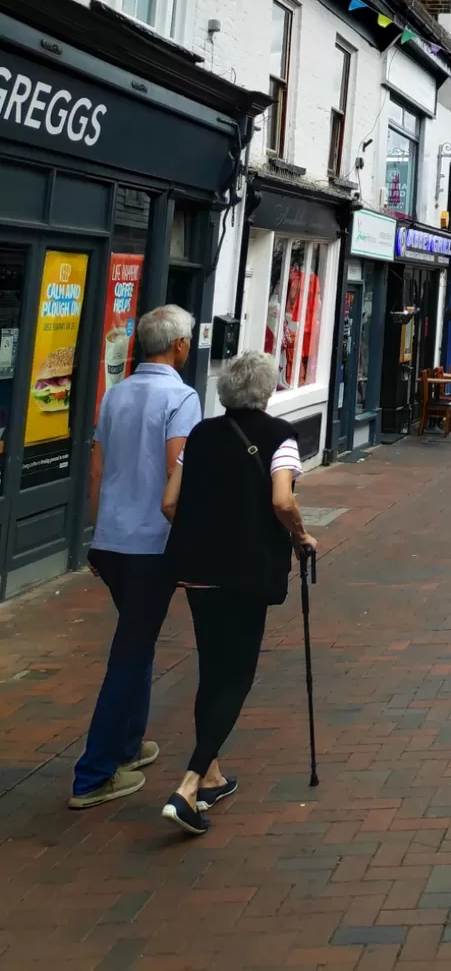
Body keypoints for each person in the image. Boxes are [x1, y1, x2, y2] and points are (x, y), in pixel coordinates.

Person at [159, 349, 315, 836]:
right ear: (267, 393)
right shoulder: (280, 437)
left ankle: (212, 776)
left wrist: (201, 535)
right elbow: (282, 499)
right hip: (247, 574)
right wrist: (300, 535)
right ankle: (188, 786)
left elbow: (170, 502)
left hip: (199, 571)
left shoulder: (201, 435)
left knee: (212, 669)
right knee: (238, 676)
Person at [69, 305, 201, 811]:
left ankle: (127, 744)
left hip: (113, 540)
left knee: (137, 638)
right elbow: (177, 471)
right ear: (179, 347)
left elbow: (97, 472)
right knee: (129, 650)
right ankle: (94, 773)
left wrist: (99, 532)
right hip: (152, 544)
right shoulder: (182, 397)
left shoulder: (116, 394)